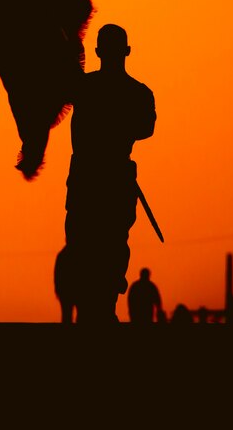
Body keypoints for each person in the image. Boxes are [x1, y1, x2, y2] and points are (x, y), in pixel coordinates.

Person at [59, 24, 155, 324]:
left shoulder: (85, 87)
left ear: (99, 52)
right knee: (98, 241)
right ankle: (98, 305)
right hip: (103, 176)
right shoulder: (135, 92)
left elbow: (145, 128)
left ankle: (102, 304)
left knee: (100, 241)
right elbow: (145, 128)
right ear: (126, 51)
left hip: (99, 177)